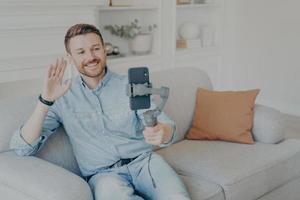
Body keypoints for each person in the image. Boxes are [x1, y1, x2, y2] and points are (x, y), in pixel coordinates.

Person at [10, 23, 190, 200]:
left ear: (104, 50)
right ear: (70, 58)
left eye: (95, 48)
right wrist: (45, 100)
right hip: (104, 176)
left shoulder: (130, 84)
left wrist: (162, 132)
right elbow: (22, 147)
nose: (90, 56)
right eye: (81, 52)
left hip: (145, 163)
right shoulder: (62, 97)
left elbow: (165, 126)